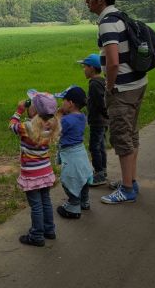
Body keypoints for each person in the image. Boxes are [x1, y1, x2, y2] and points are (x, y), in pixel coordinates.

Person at [86, 0, 147, 204]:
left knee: (122, 137)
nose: (87, 0)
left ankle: (128, 189)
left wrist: (109, 88)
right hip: (138, 83)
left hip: (122, 88)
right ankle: (130, 179)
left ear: (101, 0)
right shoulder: (120, 16)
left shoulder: (107, 23)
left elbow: (112, 62)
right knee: (131, 134)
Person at [10, 90, 61, 247]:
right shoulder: (52, 125)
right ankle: (49, 229)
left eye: (30, 104)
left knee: (36, 205)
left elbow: (12, 126)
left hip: (31, 174)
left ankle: (37, 235)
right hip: (45, 171)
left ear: (35, 111)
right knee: (45, 201)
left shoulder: (27, 127)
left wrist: (19, 110)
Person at [54, 85, 93, 219]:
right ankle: (84, 201)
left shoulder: (66, 120)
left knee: (69, 180)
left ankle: (73, 206)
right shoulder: (82, 116)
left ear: (70, 103)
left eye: (63, 101)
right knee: (82, 178)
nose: (61, 103)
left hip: (71, 155)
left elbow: (55, 129)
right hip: (81, 153)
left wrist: (58, 115)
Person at [77, 54, 109, 186]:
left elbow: (101, 103)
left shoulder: (94, 84)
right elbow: (95, 101)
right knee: (101, 146)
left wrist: (106, 115)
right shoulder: (101, 81)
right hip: (102, 121)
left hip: (98, 121)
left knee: (94, 147)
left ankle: (99, 174)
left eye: (85, 67)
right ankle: (103, 171)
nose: (83, 69)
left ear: (92, 68)